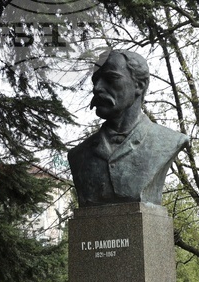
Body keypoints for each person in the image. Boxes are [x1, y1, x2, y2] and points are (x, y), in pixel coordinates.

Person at [67, 49, 188, 207]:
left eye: (111, 78)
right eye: (95, 80)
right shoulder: (79, 155)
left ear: (139, 85)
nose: (97, 88)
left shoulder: (169, 141)